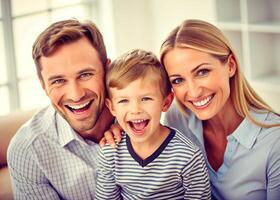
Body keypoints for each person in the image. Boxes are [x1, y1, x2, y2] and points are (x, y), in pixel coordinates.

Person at [103, 19, 280, 200]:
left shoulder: (274, 142)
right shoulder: (178, 117)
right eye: (178, 80)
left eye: (202, 72)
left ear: (231, 66)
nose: (194, 92)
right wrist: (118, 126)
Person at [7, 19, 114, 199]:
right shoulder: (28, 151)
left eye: (85, 74)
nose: (76, 94)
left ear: (107, 70)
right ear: (43, 85)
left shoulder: (145, 115)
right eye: (58, 81)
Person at [95, 49, 211, 199]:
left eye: (146, 99)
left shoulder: (188, 156)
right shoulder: (110, 153)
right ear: (112, 107)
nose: (135, 110)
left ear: (166, 102)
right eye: (123, 101)